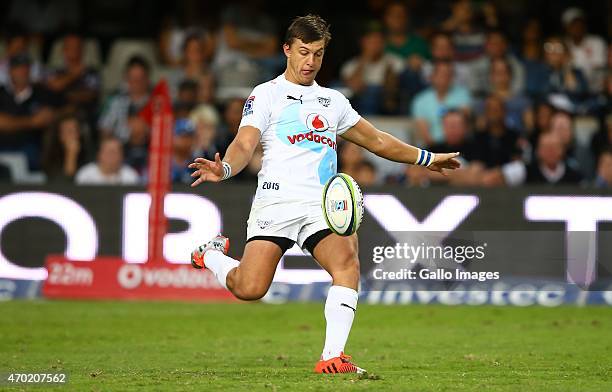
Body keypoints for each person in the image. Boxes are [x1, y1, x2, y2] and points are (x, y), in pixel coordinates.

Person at [187, 14, 460, 374]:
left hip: (321, 206)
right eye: (303, 52)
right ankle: (212, 256)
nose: (310, 62)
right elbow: (245, 143)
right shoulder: (265, 94)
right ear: (287, 49)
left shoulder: (333, 101)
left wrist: (426, 159)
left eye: (317, 54)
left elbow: (377, 140)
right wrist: (224, 169)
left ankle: (332, 357)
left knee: (347, 264)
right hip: (277, 202)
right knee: (250, 288)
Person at [411, 60, 472, 145]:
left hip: (460, 146)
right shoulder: (420, 100)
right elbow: (425, 135)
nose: (444, 78)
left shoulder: (463, 94)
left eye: (448, 74)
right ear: (432, 77)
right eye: (441, 74)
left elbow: (466, 126)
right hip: (433, 148)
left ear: (452, 77)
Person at [75, 136, 139, 185]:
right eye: (107, 151)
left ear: (122, 156)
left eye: (114, 152)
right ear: (99, 154)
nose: (111, 155)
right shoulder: (86, 174)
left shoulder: (130, 175)